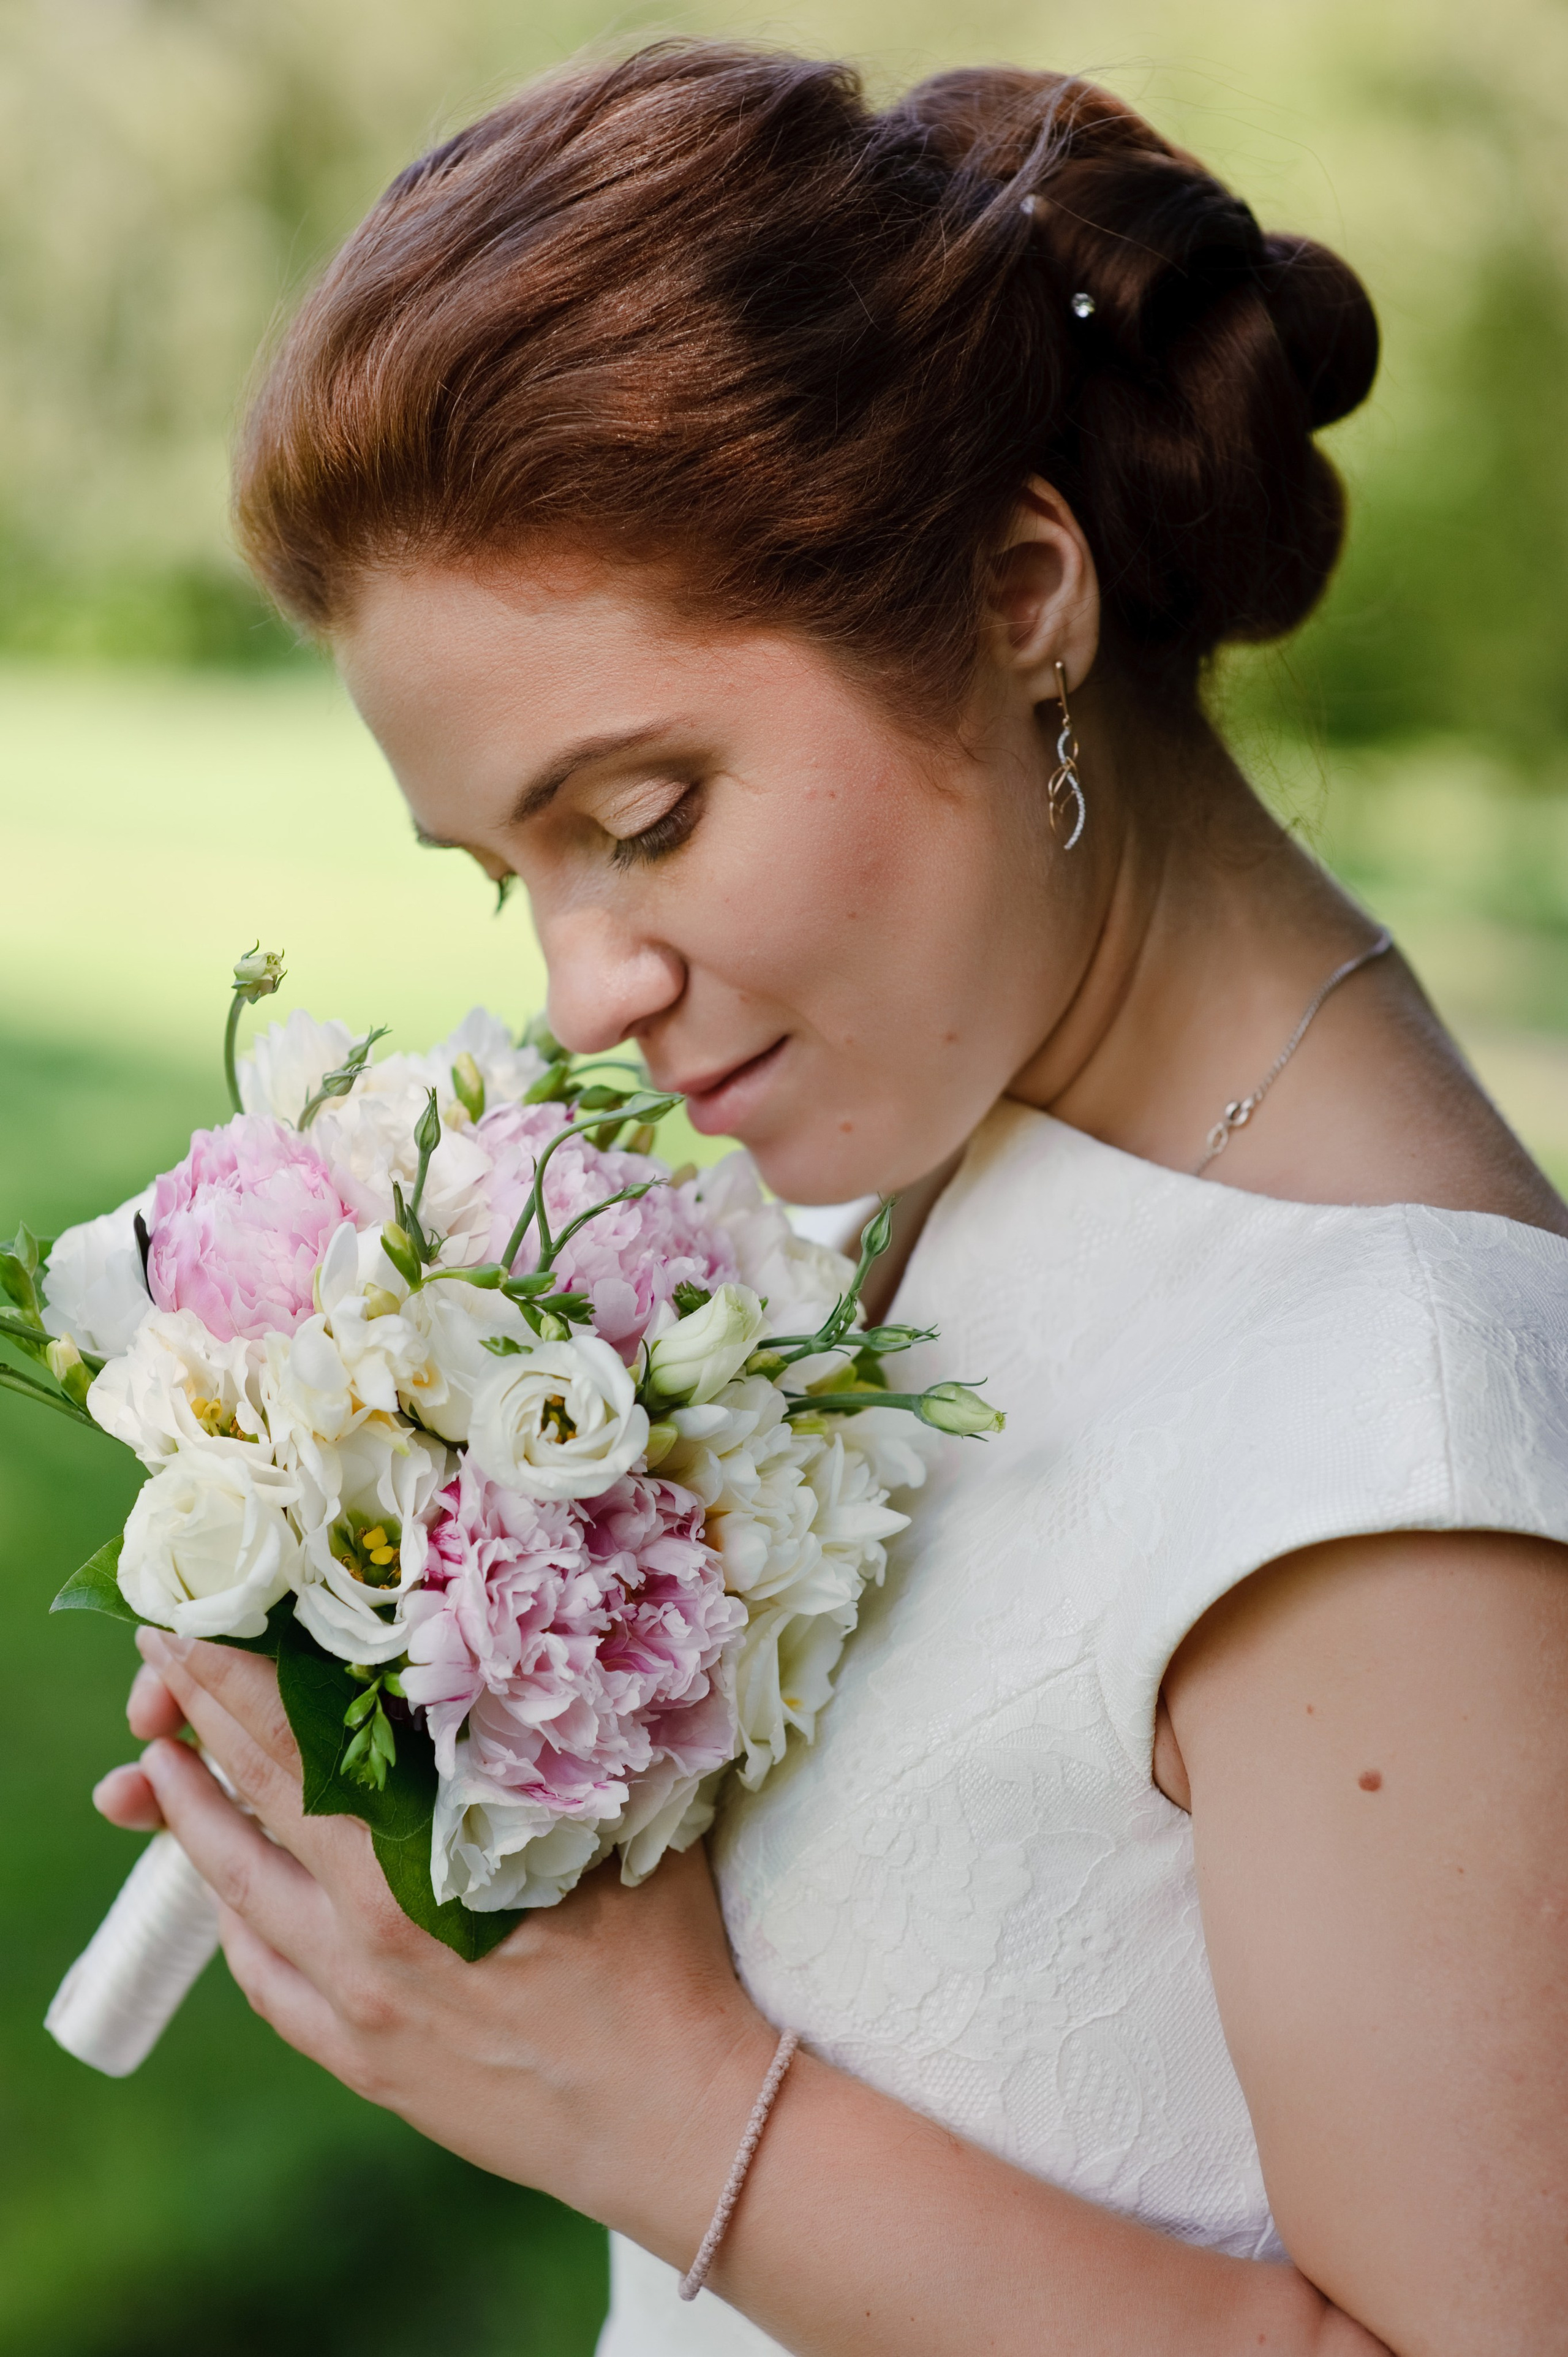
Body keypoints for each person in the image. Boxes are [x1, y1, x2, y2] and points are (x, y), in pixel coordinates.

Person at [92, 44, 1568, 2356]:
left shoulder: (1394, 1445)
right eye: (516, 877)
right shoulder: (956, 1152)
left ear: (1016, 593)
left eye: (647, 817)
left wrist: (651, 2102)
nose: (589, 989)